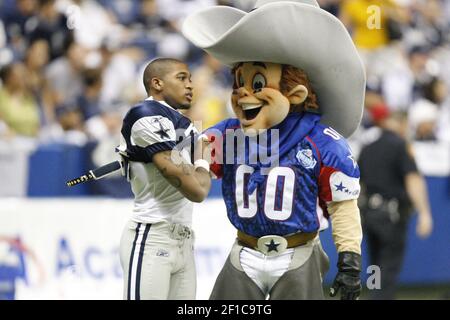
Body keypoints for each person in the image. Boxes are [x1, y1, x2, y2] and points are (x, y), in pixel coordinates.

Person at [183, 0, 366, 300]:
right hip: (244, 251)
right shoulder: (229, 133)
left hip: (298, 253)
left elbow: (342, 206)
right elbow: (187, 160)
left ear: (295, 94)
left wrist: (350, 260)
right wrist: (155, 151)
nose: (243, 93)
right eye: (239, 81)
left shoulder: (321, 142)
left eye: (256, 83)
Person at [117, 58, 212, 300]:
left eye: (190, 79)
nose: (190, 85)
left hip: (184, 238)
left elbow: (199, 182)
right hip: (152, 235)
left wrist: (199, 164)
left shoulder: (182, 123)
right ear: (157, 83)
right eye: (182, 78)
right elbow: (196, 190)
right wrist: (201, 161)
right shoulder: (146, 115)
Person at [358, 105, 433, 300]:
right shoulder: (400, 145)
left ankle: (374, 294)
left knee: (375, 264)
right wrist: (424, 213)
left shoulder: (367, 147)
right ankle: (380, 297)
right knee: (389, 266)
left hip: (368, 214)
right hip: (391, 215)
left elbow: (359, 184)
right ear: (402, 124)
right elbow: (413, 179)